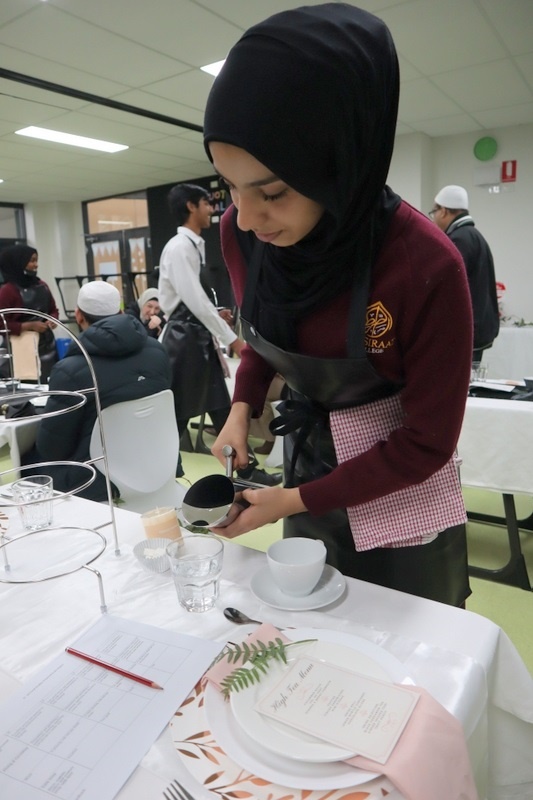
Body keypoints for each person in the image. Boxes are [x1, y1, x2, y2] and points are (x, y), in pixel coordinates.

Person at [202, 3, 474, 606]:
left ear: (340, 162)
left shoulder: (424, 265)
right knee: (308, 630)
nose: (246, 217)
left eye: (271, 191)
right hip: (308, 464)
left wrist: (295, 500)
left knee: (406, 650)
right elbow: (268, 331)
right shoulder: (243, 233)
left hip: (400, 476)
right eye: (230, 189)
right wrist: (243, 406)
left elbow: (428, 442)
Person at [158, 182, 282, 486]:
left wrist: (217, 314)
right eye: (206, 203)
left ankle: (246, 470)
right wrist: (233, 339)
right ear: (191, 206)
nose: (212, 209)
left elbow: (198, 300)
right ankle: (165, 476)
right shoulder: (179, 247)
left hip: (195, 334)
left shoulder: (191, 246)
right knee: (179, 413)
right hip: (184, 339)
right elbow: (193, 300)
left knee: (221, 406)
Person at [22, 281, 171, 501]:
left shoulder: (71, 371)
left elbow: (53, 450)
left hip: (97, 480)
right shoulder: (158, 352)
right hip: (159, 464)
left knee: (28, 462)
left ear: (79, 316)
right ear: (120, 312)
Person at [430, 184, 499, 362]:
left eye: (434, 212)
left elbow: (447, 287)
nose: (434, 218)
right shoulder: (474, 236)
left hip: (465, 332)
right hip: (477, 329)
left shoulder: (459, 239)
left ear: (444, 211)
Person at [0, 244, 59, 382]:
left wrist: (52, 320)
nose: (36, 265)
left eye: (36, 260)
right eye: (32, 260)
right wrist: (29, 326)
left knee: (50, 382)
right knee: (28, 386)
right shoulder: (7, 291)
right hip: (20, 350)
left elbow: (53, 310)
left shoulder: (42, 285)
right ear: (18, 262)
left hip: (47, 347)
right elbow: (1, 324)